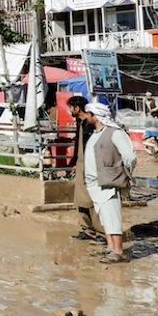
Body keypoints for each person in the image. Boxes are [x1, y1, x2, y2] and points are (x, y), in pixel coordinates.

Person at [84, 102, 137, 263]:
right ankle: (110, 247)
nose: (86, 117)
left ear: (96, 116)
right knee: (105, 218)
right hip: (95, 183)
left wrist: (123, 173)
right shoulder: (95, 134)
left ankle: (118, 251)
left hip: (109, 182)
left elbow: (130, 156)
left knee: (112, 216)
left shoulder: (115, 133)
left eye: (88, 114)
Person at [65, 95, 103, 241]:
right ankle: (87, 229)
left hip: (91, 165)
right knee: (80, 199)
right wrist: (74, 162)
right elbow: (78, 145)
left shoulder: (91, 124)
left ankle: (101, 231)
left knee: (93, 198)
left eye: (71, 108)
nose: (69, 111)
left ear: (77, 108)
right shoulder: (79, 123)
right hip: (81, 164)